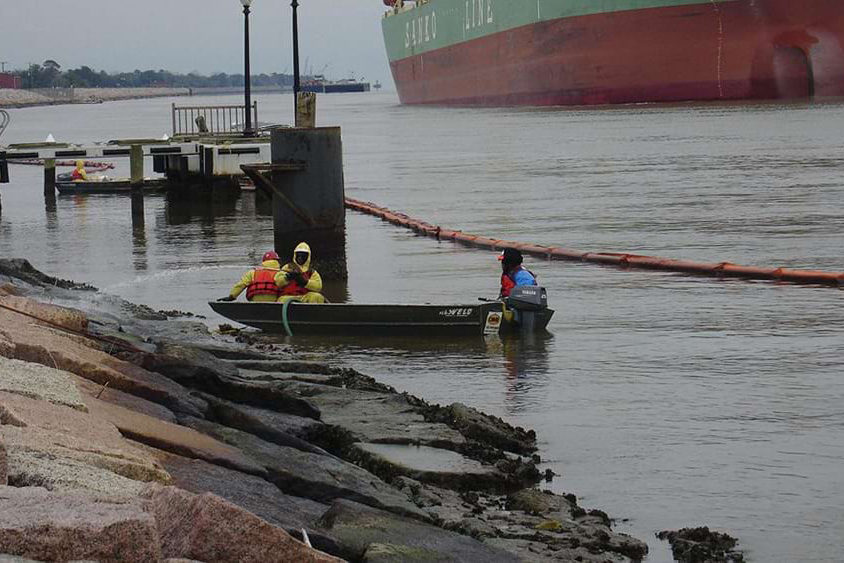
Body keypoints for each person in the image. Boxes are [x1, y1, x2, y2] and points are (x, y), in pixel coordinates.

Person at [220, 250, 284, 302]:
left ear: (264, 261)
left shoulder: (252, 272)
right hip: (274, 301)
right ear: (277, 261)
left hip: (255, 300)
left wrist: (232, 296)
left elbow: (240, 285)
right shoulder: (280, 273)